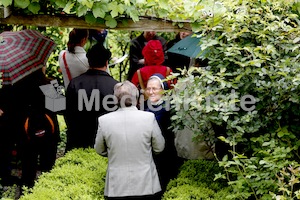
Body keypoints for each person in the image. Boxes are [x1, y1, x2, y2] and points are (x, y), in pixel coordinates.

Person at [94, 80, 165, 200]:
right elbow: (159, 147)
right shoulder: (149, 118)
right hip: (146, 183)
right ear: (136, 98)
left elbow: (99, 150)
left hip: (116, 185)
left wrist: (115, 153)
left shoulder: (104, 120)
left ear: (116, 100)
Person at [65, 43, 119, 151]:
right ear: (107, 62)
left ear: (88, 62)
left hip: (79, 140)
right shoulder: (116, 86)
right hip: (106, 142)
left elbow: (68, 113)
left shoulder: (75, 84)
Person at [143, 74, 180, 194]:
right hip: (147, 152)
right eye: (148, 88)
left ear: (162, 90)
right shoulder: (143, 105)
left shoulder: (169, 107)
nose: (151, 92)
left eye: (155, 88)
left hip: (166, 151)